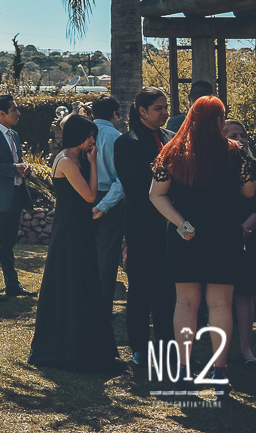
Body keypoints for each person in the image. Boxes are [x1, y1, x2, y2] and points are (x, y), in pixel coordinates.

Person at [150, 96, 256, 387]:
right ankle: (219, 370)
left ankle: (184, 368)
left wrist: (179, 221)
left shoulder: (172, 151)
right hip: (224, 235)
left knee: (185, 303)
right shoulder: (236, 153)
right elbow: (249, 193)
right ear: (220, 120)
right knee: (220, 304)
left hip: (187, 233)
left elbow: (155, 194)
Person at [28, 115, 122, 372]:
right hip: (70, 230)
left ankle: (82, 341)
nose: (93, 140)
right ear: (77, 135)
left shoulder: (73, 158)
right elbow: (90, 196)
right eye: (89, 136)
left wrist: (89, 161)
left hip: (77, 227)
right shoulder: (68, 162)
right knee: (72, 282)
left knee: (81, 281)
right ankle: (67, 345)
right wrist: (92, 165)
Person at [113, 87, 175, 368]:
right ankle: (139, 347)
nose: (164, 112)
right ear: (142, 110)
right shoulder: (126, 142)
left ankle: (166, 346)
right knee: (140, 288)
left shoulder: (170, 139)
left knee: (167, 289)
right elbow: (133, 186)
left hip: (171, 224)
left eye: (165, 107)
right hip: (141, 223)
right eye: (158, 108)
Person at [0, 94, 35, 302]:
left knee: (8, 245)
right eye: (14, 110)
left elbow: (14, 163)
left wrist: (23, 169)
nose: (18, 113)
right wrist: (13, 168)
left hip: (15, 196)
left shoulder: (15, 135)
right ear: (1, 113)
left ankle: (12, 285)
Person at [89, 95, 126, 319]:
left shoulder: (83, 134)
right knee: (107, 255)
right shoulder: (116, 137)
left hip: (85, 196)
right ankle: (101, 306)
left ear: (93, 113)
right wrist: (104, 205)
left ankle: (84, 301)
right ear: (114, 114)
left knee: (86, 252)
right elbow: (121, 180)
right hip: (108, 198)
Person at [224, 119, 256, 367]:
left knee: (244, 294)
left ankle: (246, 347)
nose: (240, 139)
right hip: (220, 234)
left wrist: (246, 228)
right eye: (233, 135)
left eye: (243, 135)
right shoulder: (215, 167)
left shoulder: (253, 166)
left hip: (248, 233)